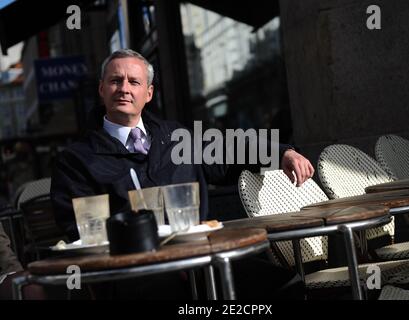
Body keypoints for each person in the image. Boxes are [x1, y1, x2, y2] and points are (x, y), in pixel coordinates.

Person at [50, 49, 314, 299]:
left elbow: (231, 149)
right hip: (133, 273)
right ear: (101, 89)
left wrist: (281, 153)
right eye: (115, 81)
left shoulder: (176, 137)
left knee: (285, 286)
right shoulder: (76, 159)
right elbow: (81, 228)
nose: (124, 89)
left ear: (149, 93)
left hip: (200, 260)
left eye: (134, 82)